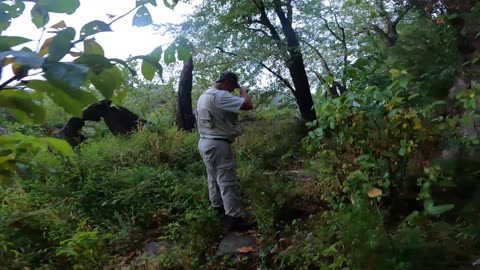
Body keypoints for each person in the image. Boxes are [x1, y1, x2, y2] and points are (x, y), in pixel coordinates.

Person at [196, 71, 255, 231]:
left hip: (205, 142)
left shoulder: (204, 95)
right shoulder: (220, 95)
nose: (232, 91)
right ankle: (234, 218)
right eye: (232, 87)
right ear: (227, 82)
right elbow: (248, 105)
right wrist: (244, 92)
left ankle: (218, 209)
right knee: (227, 181)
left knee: (213, 179)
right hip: (218, 144)